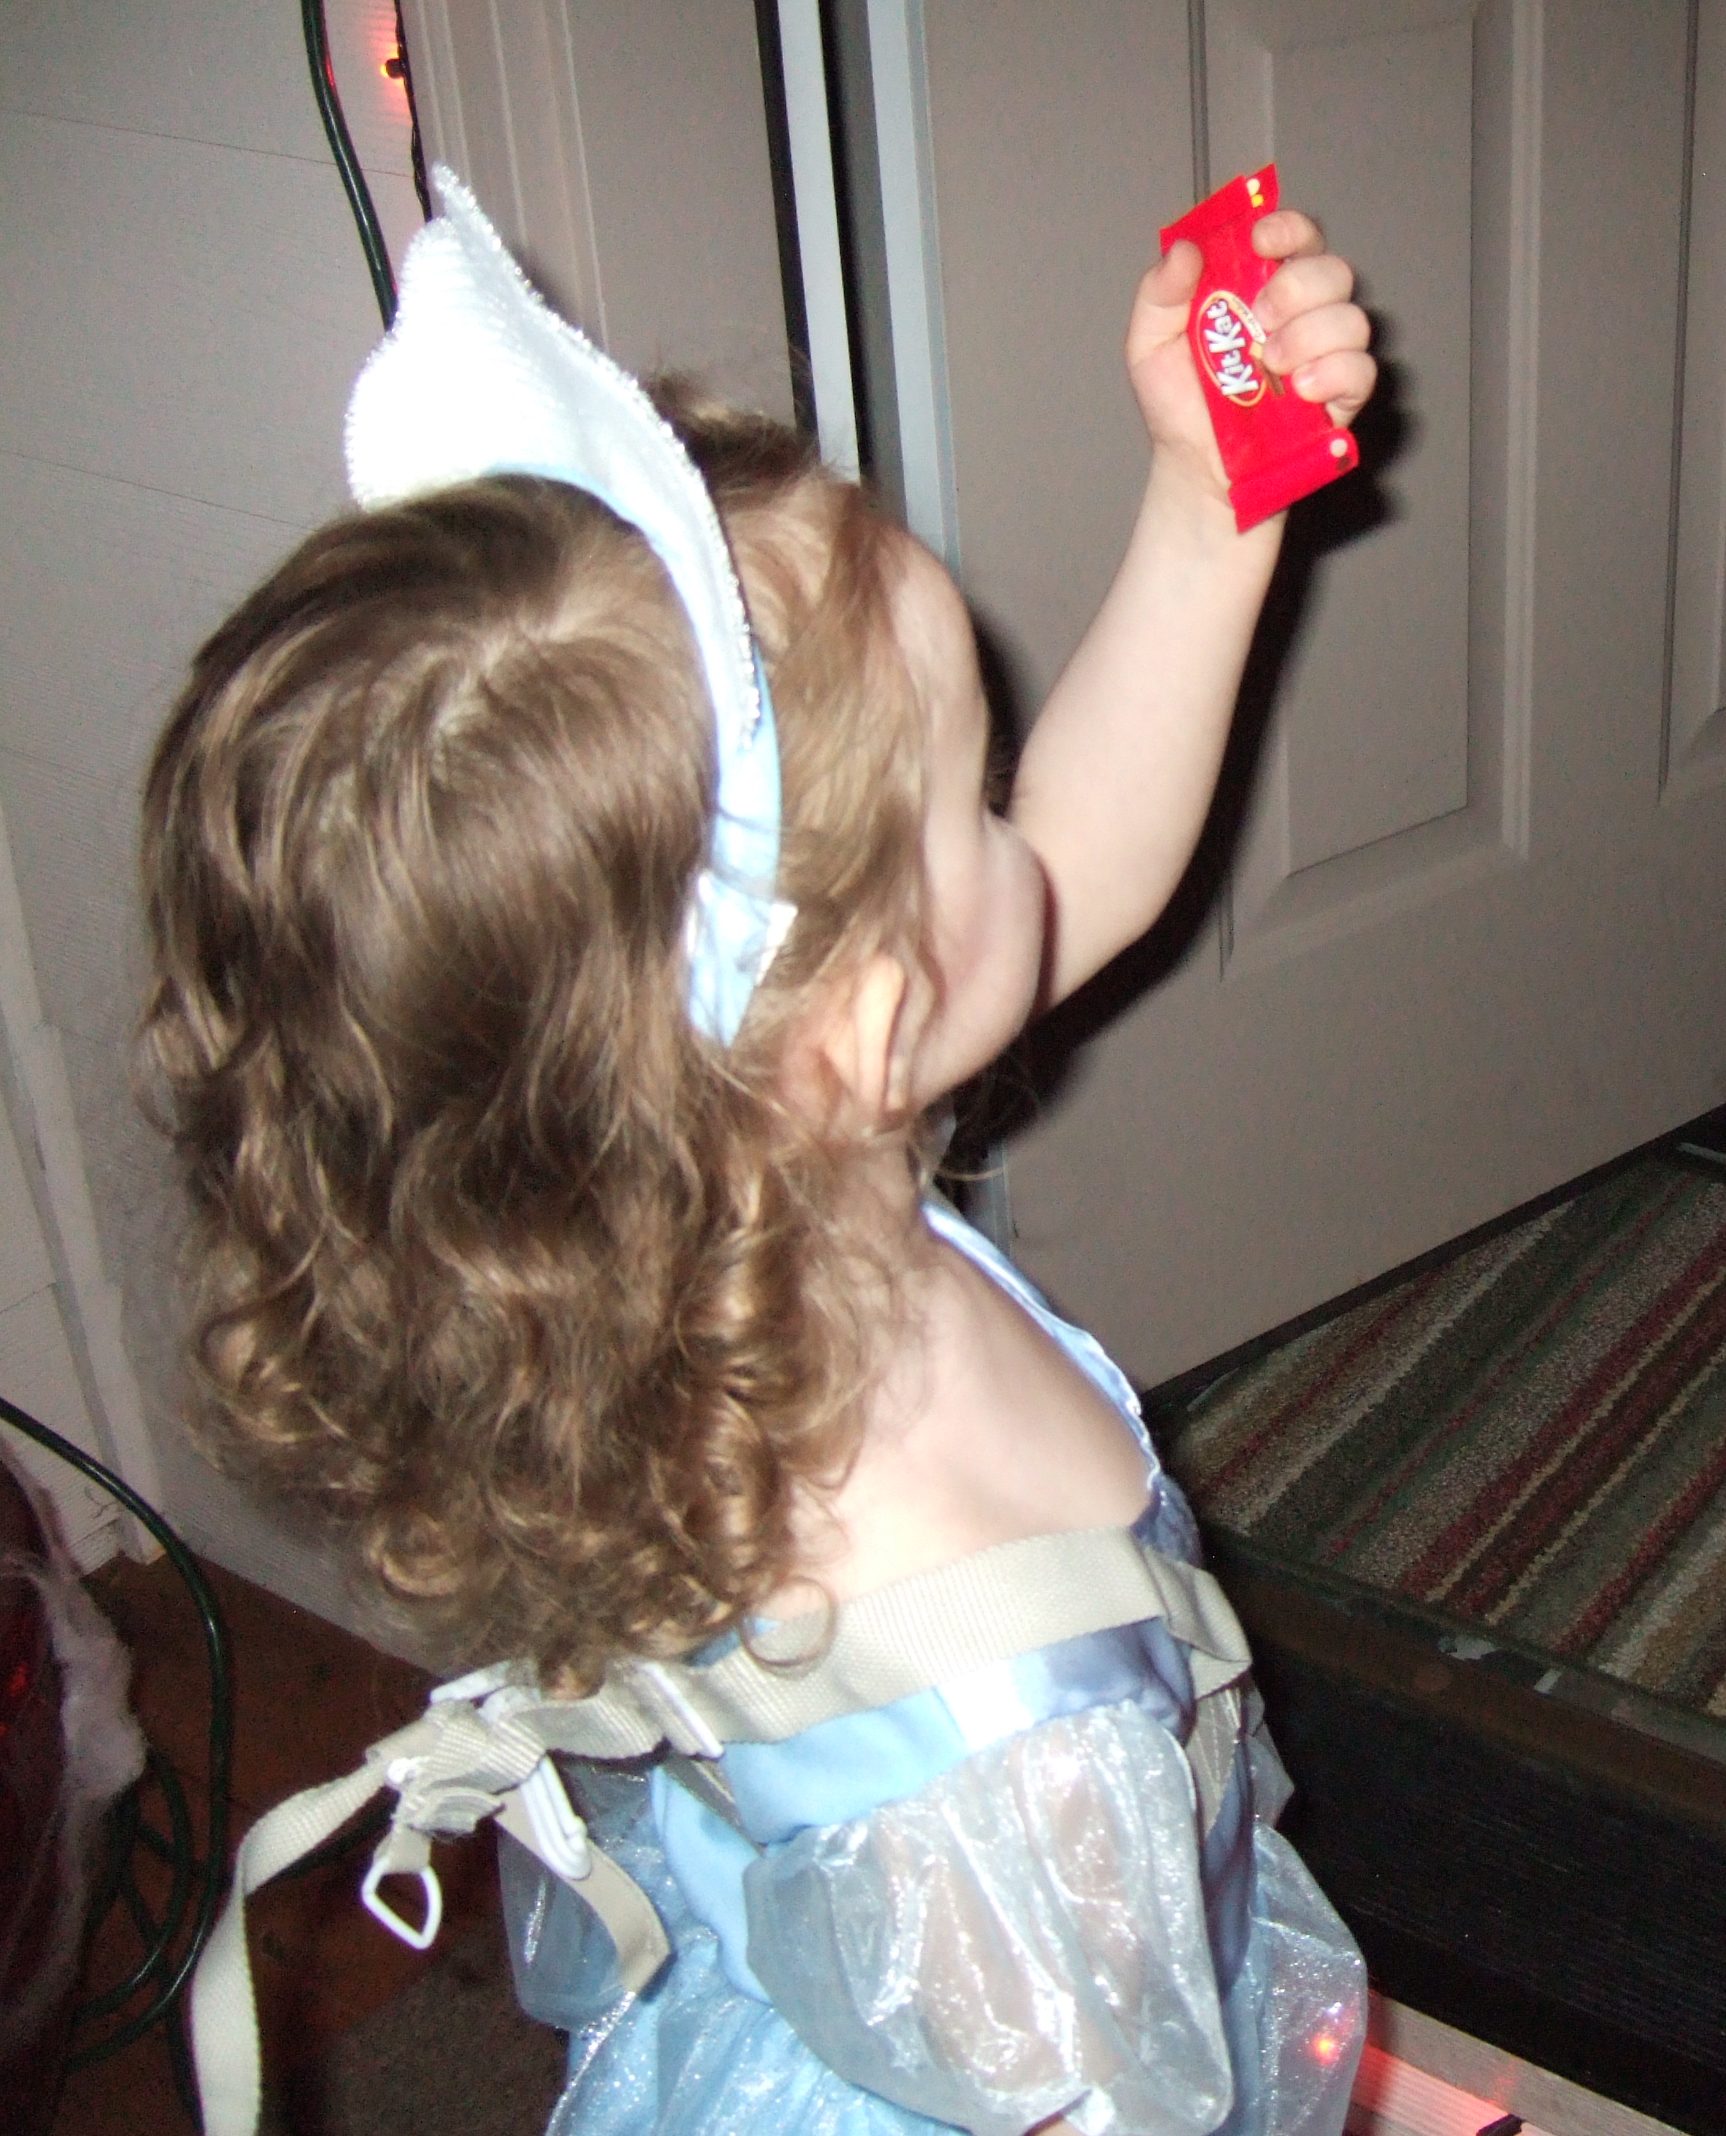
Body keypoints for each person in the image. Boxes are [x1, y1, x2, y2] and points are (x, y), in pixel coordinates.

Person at [144, 168, 1375, 2136]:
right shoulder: (994, 1716)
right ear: (869, 1037)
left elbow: (1075, 863)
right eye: (975, 796)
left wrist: (1211, 491)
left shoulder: (662, 1236)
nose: (1025, 822)